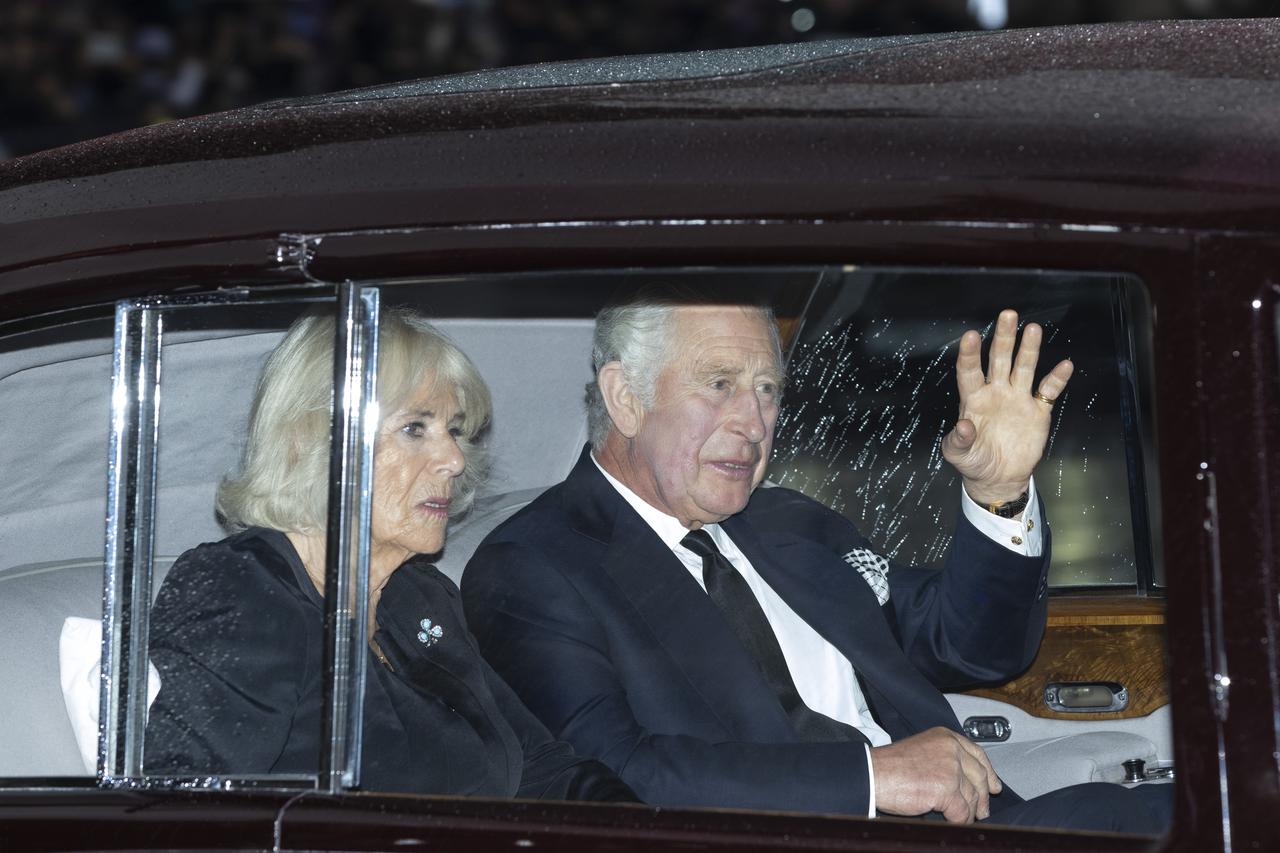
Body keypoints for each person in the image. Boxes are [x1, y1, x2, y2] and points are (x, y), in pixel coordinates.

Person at [461, 293, 1169, 830]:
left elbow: (975, 648)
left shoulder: (787, 521)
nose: (754, 419)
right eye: (719, 384)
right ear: (625, 397)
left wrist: (1000, 492)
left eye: (768, 388)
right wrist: (871, 776)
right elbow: (613, 777)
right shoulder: (535, 565)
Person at [145, 308, 636, 802]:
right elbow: (186, 814)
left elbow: (539, 765)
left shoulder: (420, 597)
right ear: (312, 439)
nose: (454, 459)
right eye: (415, 428)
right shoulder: (241, 591)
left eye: (454, 430)